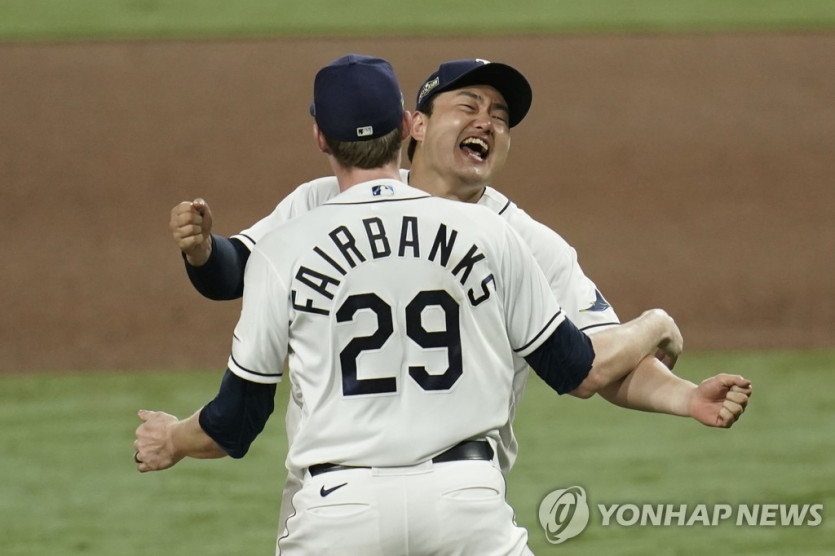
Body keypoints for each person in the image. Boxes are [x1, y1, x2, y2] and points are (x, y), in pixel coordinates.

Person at [167, 58, 752, 540]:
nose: (489, 122)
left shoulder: (523, 239)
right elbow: (233, 271)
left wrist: (684, 396)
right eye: (468, 106)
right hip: (406, 502)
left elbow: (598, 364)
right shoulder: (322, 203)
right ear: (413, 125)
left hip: (370, 507)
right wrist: (202, 252)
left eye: (501, 116)